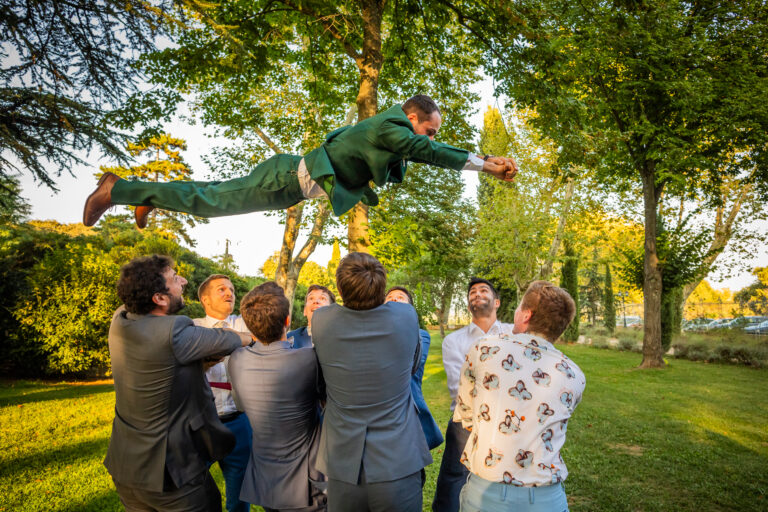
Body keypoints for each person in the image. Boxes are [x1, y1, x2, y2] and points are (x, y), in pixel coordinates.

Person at [82, 95, 518, 228]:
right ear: (411, 118)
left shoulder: (389, 133)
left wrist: (484, 161)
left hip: (288, 183)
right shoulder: (391, 128)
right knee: (211, 202)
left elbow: (421, 151)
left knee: (210, 198)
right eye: (430, 128)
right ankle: (116, 189)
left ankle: (151, 196)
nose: (431, 137)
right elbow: (426, 151)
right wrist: (484, 164)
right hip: (284, 179)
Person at [104, 255, 252, 512]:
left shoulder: (120, 319)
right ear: (159, 298)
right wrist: (252, 338)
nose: (183, 281)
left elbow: (169, 365)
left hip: (126, 466)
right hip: (172, 475)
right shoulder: (176, 330)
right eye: (174, 278)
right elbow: (227, 340)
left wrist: (202, 363)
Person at [312, 253, 431, 512]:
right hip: (398, 458)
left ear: (340, 290)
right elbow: (412, 366)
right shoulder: (406, 315)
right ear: (382, 286)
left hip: (343, 462)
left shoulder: (321, 320)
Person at [454, 281, 586, 511]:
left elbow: (466, 415)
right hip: (548, 498)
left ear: (526, 315)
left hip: (489, 493)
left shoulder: (484, 350)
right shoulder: (575, 374)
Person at [228, 282, 327, 512]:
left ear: (250, 327)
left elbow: (241, 405)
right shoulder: (309, 360)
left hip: (264, 480)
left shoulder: (237, 359)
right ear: (287, 321)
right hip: (305, 484)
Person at [433, 277, 513, 512]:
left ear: (496, 302)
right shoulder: (453, 341)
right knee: (454, 481)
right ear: (469, 304)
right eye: (472, 292)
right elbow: (462, 386)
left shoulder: (514, 334)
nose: (476, 294)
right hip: (466, 421)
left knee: (504, 479)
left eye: (483, 290)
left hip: (507, 421)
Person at [194, 274, 253, 512]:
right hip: (200, 424)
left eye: (231, 289)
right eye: (221, 289)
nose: (229, 293)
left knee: (239, 496)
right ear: (205, 300)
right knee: (195, 492)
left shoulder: (244, 324)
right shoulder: (192, 327)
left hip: (238, 421)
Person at [384, 285, 443, 450]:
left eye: (400, 297)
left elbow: (408, 364)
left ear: (410, 309)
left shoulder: (421, 335)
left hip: (410, 413)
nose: (395, 299)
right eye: (390, 298)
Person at [287, 284, 336, 349]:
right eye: (311, 298)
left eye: (322, 298)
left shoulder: (341, 339)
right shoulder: (289, 339)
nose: (316, 301)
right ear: (305, 311)